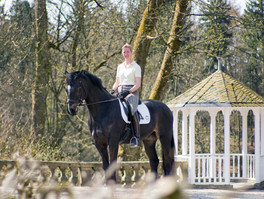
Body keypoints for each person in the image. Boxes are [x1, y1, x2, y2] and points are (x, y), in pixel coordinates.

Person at [110, 43, 141, 147]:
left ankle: (136, 137)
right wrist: (112, 90)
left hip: (131, 92)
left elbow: (138, 84)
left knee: (132, 109)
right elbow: (117, 82)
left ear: (131, 52)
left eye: (127, 51)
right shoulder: (120, 67)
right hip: (120, 91)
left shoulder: (136, 67)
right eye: (124, 52)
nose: (126, 54)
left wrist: (129, 92)